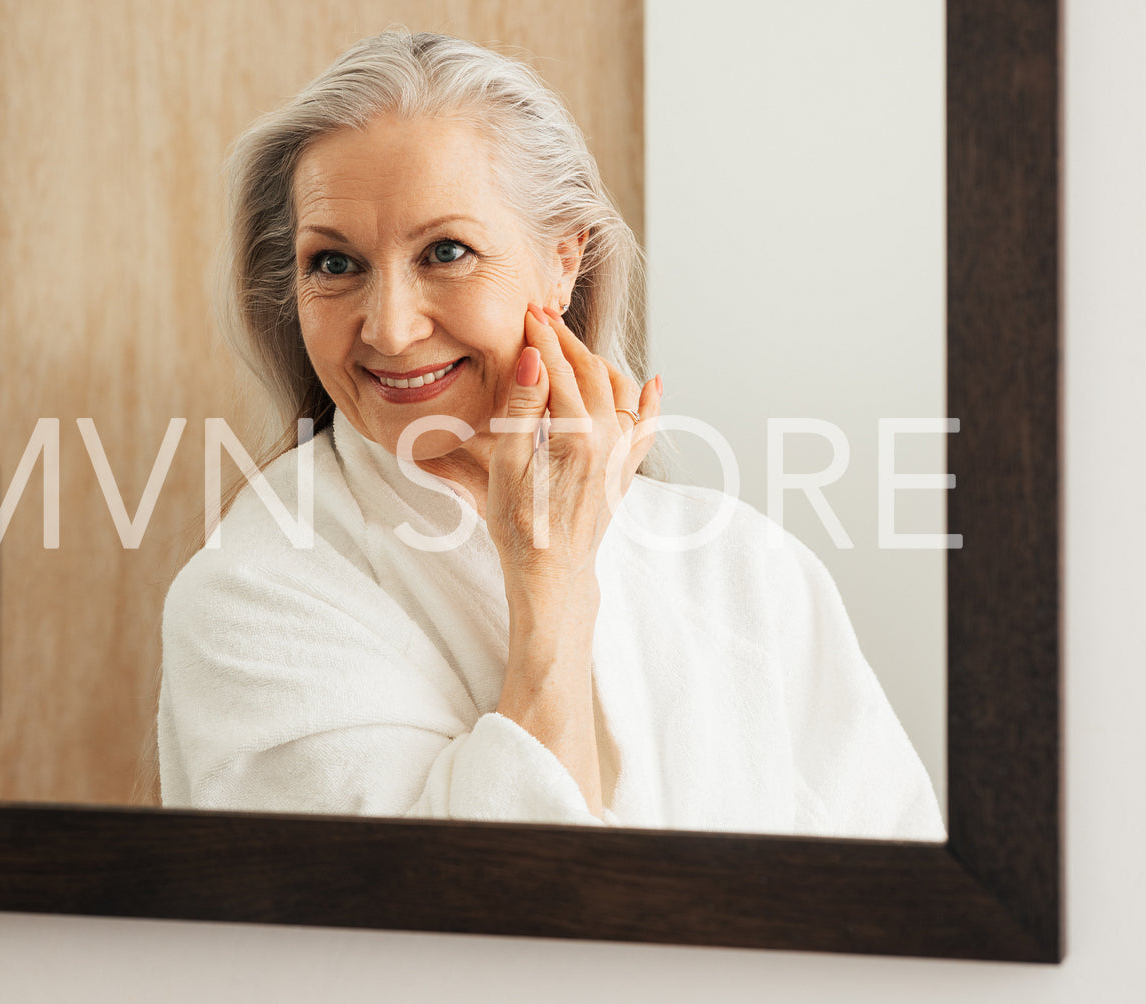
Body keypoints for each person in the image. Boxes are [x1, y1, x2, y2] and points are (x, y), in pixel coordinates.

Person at [157, 29, 944, 839]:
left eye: (446, 251)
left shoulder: (743, 568)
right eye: (334, 264)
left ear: (564, 262)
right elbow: (455, 928)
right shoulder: (250, 597)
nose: (388, 329)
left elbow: (903, 915)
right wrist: (550, 589)